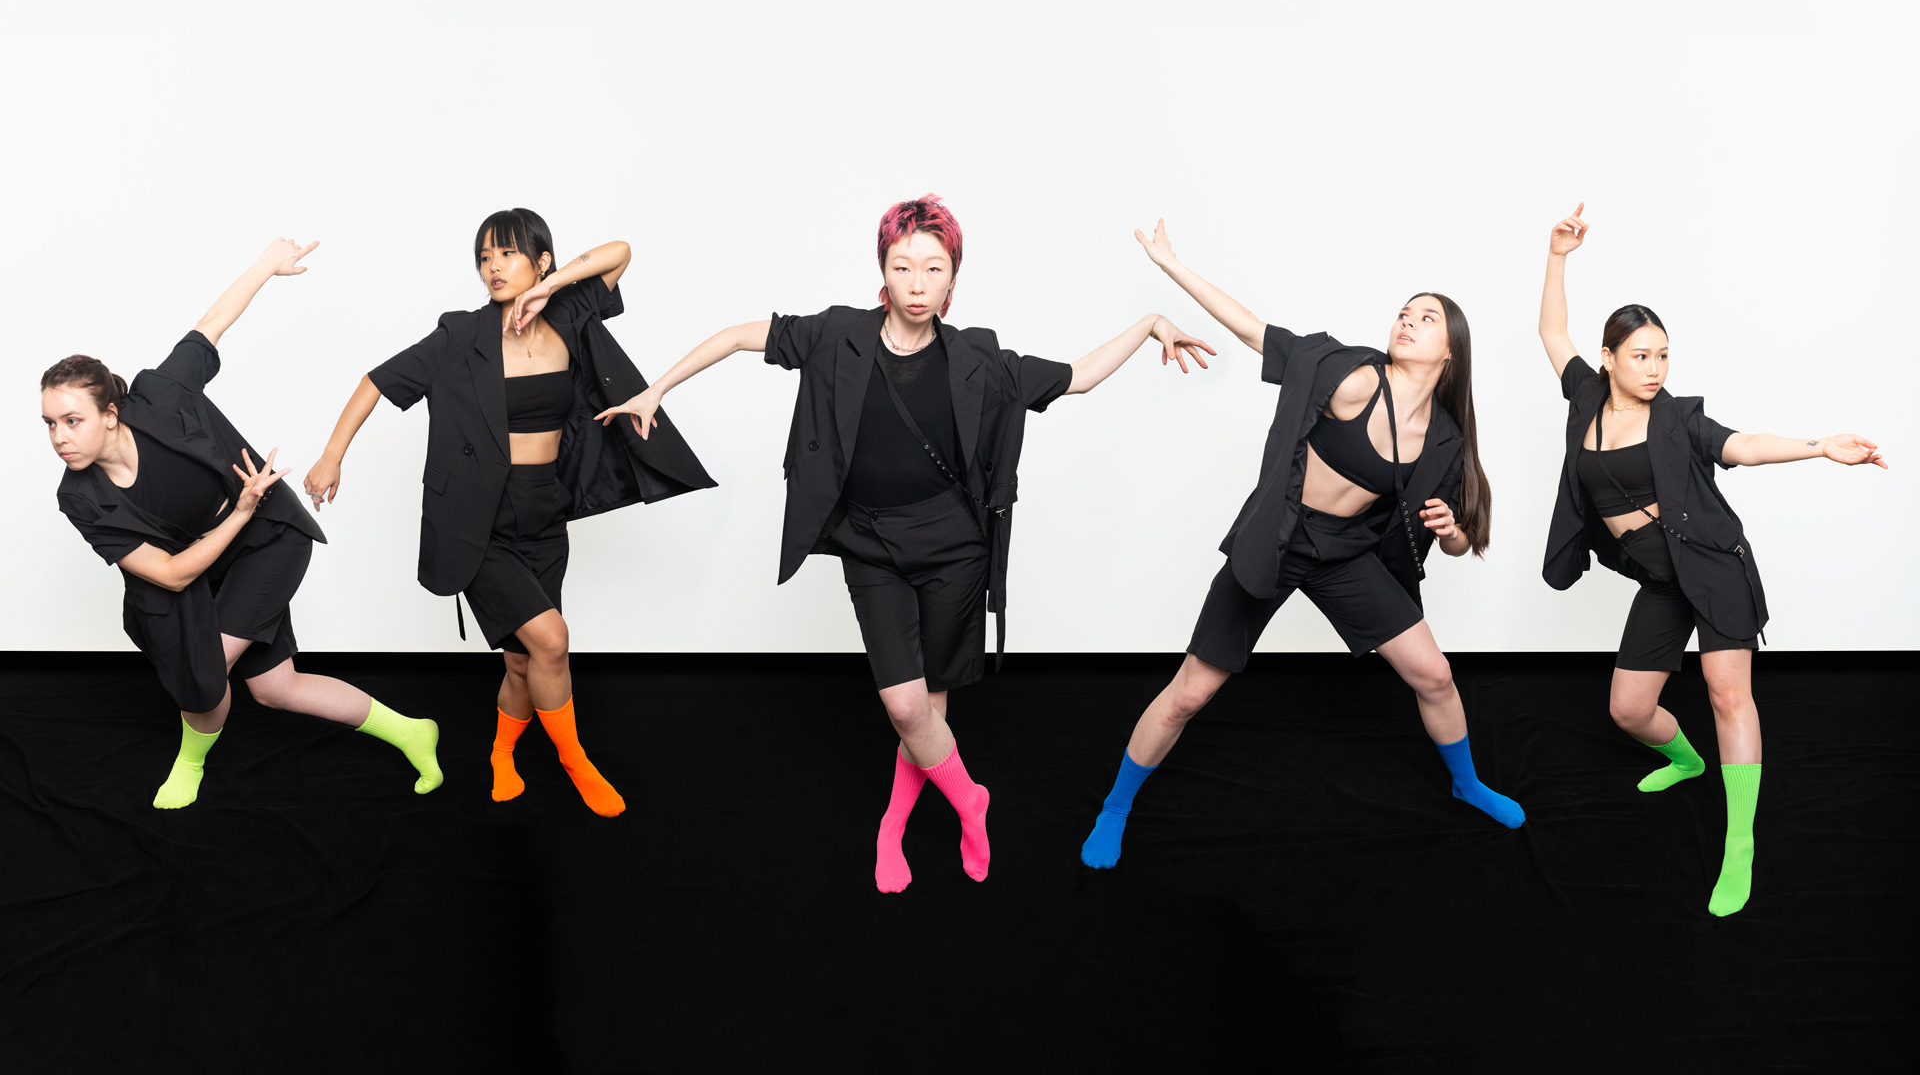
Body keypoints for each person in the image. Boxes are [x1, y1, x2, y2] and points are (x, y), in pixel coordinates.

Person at [595, 194, 1216, 890]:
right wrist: (655, 391)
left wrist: (1152, 322)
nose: (917, 284)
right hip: (870, 546)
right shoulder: (835, 337)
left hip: (954, 550)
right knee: (905, 705)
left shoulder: (978, 358)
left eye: (933, 268)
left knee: (931, 706)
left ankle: (893, 824)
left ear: (954, 279)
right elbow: (740, 335)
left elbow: (1077, 378)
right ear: (882, 273)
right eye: (903, 267)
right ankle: (968, 799)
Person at [1080, 220, 1524, 872]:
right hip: (1281, 538)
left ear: (1451, 351)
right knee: (1189, 694)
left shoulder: (1445, 438)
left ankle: (1466, 782)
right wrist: (1171, 263)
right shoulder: (1349, 376)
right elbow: (1253, 329)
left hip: (1349, 553)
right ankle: (1115, 806)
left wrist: (1451, 533)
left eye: (1426, 318)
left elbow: (1458, 543)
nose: (1407, 320)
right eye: (1404, 312)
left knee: (1435, 674)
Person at [303, 209, 716, 816]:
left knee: (523, 661)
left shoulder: (571, 316)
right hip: (481, 522)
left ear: (541, 262)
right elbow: (375, 381)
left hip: (546, 512)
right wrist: (331, 456)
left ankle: (501, 753)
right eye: (484, 257)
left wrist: (551, 290)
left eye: (507, 254)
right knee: (552, 641)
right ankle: (577, 762)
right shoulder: (460, 335)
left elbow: (621, 249)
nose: (492, 267)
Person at [1535, 203, 1885, 915]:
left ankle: (1739, 844)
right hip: (1661, 579)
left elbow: (1743, 446)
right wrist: (1558, 256)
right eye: (1641, 355)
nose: (1655, 367)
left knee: (1730, 696)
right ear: (1608, 359)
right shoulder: (1583, 398)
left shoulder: (1679, 417)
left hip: (1714, 565)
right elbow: (1550, 330)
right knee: (1629, 710)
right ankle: (1686, 760)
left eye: (1664, 354)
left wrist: (1819, 445)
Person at [45, 238, 442, 809]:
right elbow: (172, 575)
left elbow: (208, 327)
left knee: (203, 671)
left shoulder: (160, 395)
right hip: (207, 558)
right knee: (276, 688)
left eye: (72, 419)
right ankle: (412, 730)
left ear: (111, 414)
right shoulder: (79, 496)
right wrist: (236, 513)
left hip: (268, 538)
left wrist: (265, 266)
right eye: (50, 423)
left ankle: (189, 760)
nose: (59, 436)